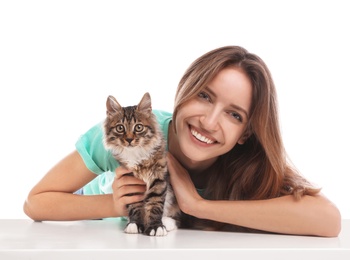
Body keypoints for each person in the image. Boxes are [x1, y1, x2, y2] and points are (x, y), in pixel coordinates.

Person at [23, 46, 341, 237]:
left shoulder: (243, 163)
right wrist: (112, 204)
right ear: (183, 90)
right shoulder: (129, 135)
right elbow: (36, 202)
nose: (209, 122)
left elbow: (328, 221)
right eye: (204, 96)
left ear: (246, 133)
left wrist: (197, 204)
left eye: (234, 115)